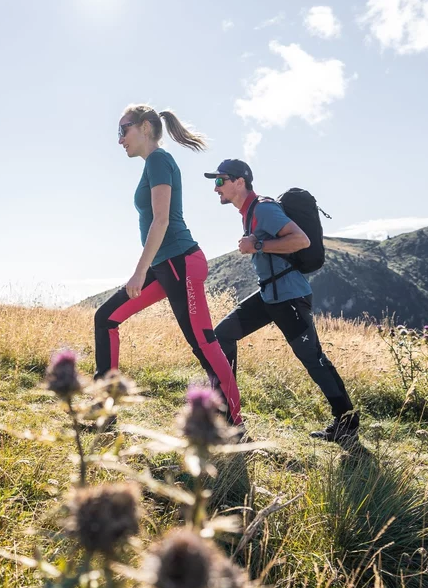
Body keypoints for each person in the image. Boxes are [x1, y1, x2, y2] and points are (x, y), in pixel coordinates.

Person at [93, 105, 242, 425]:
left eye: (123, 130)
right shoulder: (152, 164)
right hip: (165, 265)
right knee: (106, 318)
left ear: (145, 127)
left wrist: (138, 270)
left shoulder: (159, 160)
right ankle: (105, 405)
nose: (120, 140)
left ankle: (233, 422)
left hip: (180, 262)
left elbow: (161, 219)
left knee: (203, 342)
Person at [206, 159, 359, 443]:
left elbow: (301, 241)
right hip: (269, 295)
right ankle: (227, 417)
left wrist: (258, 245)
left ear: (240, 181)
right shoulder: (249, 211)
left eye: (220, 181)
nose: (215, 188)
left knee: (313, 359)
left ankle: (347, 424)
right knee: (222, 335)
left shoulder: (263, 208)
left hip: (289, 296)